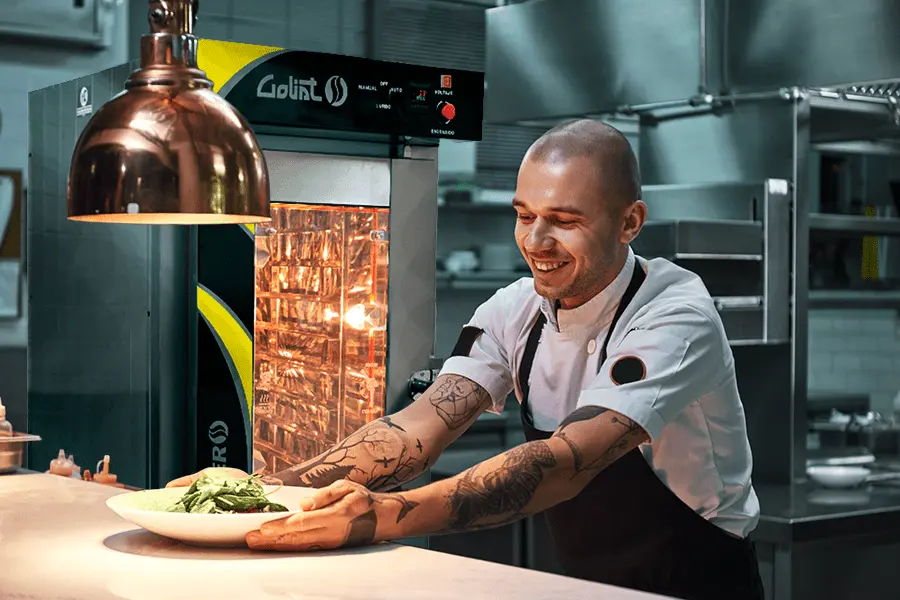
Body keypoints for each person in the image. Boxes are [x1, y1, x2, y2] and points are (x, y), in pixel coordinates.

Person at [169, 119, 764, 599]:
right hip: (588, 583)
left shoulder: (675, 315)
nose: (534, 242)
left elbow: (566, 463)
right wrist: (258, 492)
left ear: (630, 221)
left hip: (698, 580)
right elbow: (415, 430)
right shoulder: (515, 309)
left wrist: (379, 516)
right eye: (524, 215)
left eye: (564, 221)